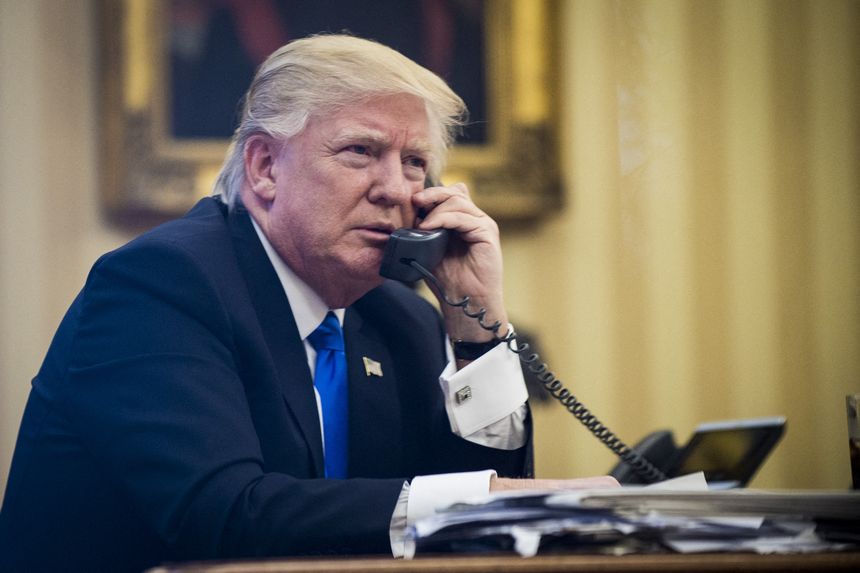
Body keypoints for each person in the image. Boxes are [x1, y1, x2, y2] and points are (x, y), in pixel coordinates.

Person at [0, 34, 616, 572]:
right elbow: (226, 515)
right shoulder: (162, 284)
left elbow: (476, 535)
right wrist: (485, 498)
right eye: (361, 152)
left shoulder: (400, 317)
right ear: (266, 166)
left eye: (415, 162)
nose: (396, 190)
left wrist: (476, 329)